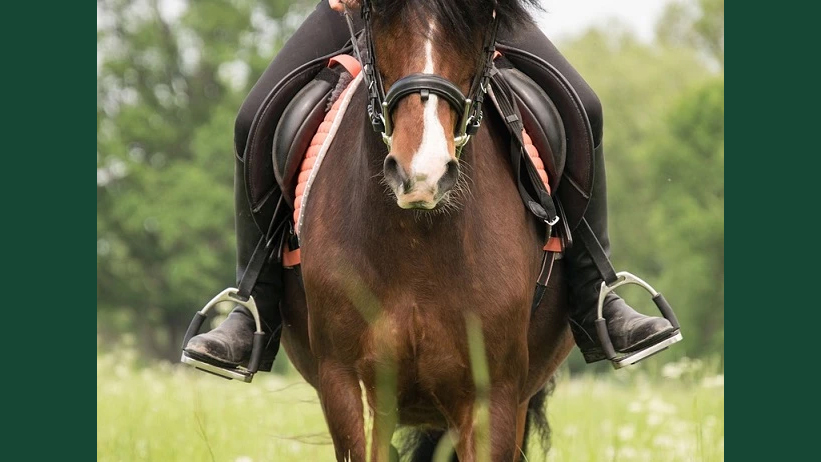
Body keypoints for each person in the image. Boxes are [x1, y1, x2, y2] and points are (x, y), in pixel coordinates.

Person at [183, 0, 677, 373]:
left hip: (465, 9)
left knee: (583, 107)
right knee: (253, 118)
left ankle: (598, 293)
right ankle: (253, 304)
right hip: (364, 7)